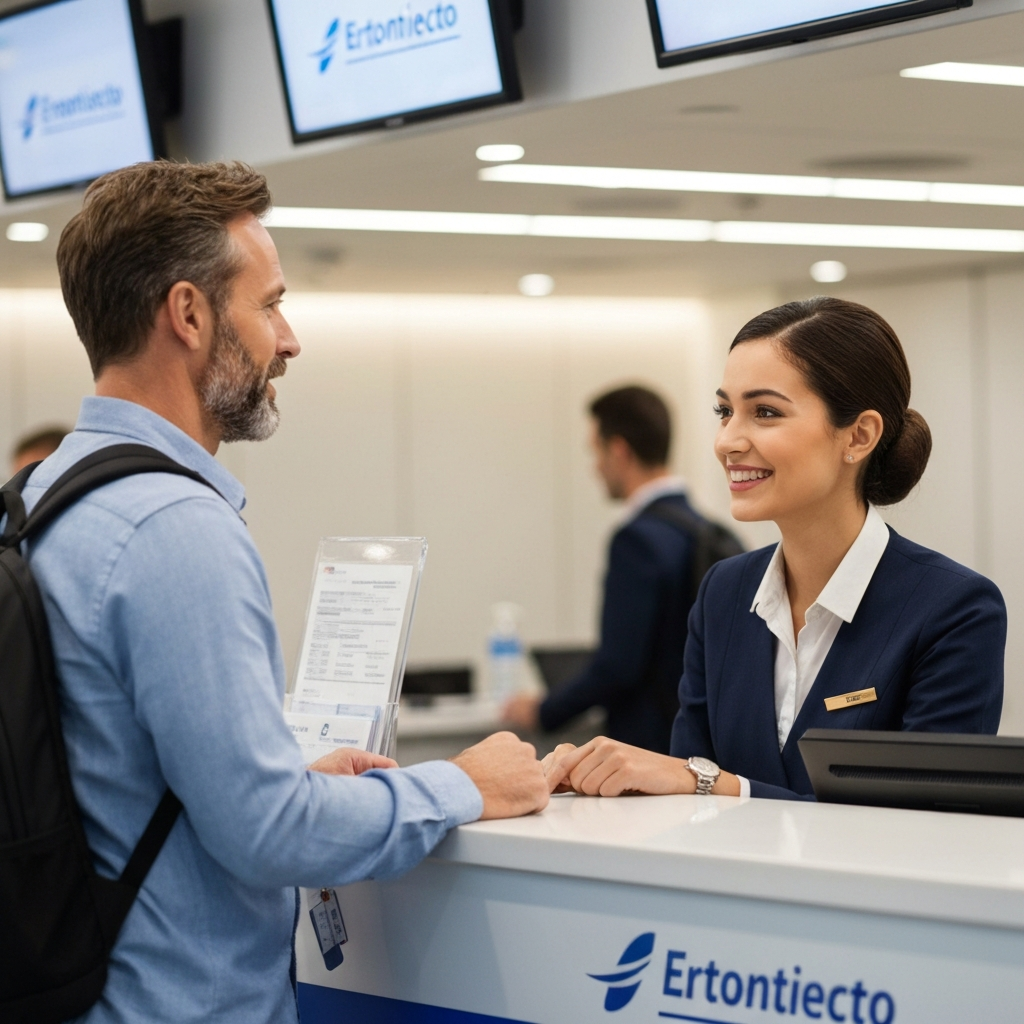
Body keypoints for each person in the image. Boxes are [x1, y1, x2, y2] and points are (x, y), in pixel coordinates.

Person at [11, 160, 547, 1024]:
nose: (288, 340)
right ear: (187, 314)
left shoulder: (35, 500)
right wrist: (463, 784)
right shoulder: (173, 528)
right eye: (267, 305)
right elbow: (268, 833)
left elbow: (104, 772)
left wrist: (291, 774)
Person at [545, 297, 1005, 801]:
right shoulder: (723, 592)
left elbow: (923, 820)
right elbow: (683, 798)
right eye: (725, 411)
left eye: (765, 412)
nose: (728, 441)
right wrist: (603, 778)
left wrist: (716, 785)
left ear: (859, 435)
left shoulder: (954, 609)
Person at [504, 385, 731, 753]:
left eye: (596, 452)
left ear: (619, 450)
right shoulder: (708, 531)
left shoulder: (637, 539)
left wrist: (544, 711)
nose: (595, 468)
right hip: (705, 741)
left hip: (647, 746)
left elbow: (618, 666)